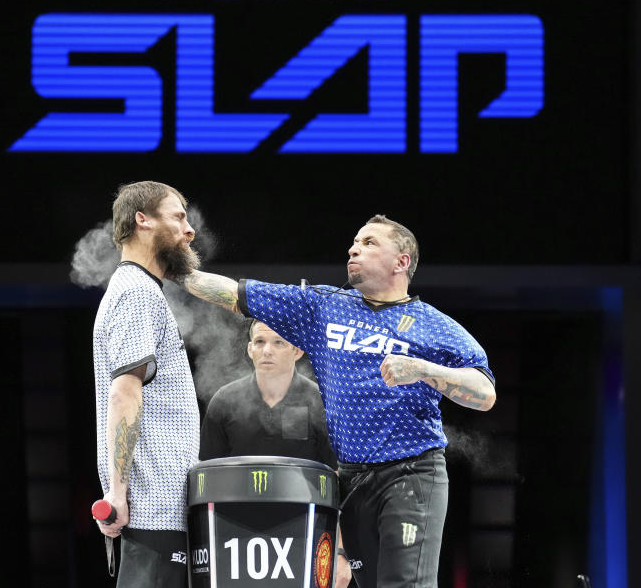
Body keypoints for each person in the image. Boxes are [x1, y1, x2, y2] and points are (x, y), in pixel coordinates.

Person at [179, 214, 496, 588]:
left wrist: (424, 369)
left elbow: (485, 393)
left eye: (369, 242)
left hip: (412, 475)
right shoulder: (323, 306)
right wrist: (172, 266)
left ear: (402, 261)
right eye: (354, 242)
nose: (353, 248)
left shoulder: (435, 324)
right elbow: (233, 293)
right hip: (351, 480)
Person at [92, 180, 201, 587]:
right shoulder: (136, 292)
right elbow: (124, 393)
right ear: (143, 220)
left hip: (160, 508)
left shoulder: (142, 290)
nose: (189, 230)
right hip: (153, 507)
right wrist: (117, 493)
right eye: (178, 217)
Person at [199, 319, 336, 467]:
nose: (267, 351)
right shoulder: (224, 400)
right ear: (250, 349)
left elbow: (334, 472)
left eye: (279, 342)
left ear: (297, 350)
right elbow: (208, 470)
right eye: (260, 342)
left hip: (301, 490)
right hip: (237, 490)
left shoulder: (321, 401)